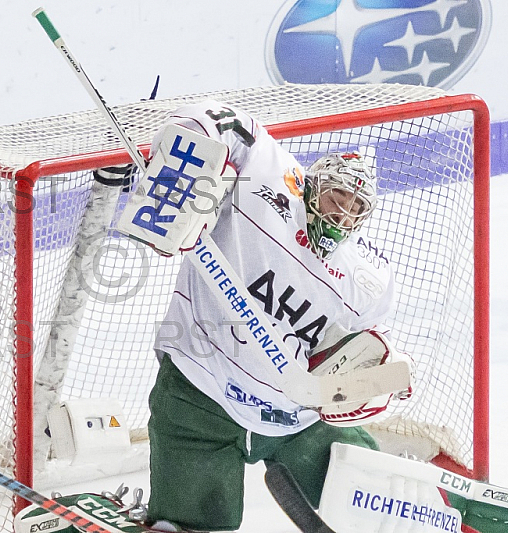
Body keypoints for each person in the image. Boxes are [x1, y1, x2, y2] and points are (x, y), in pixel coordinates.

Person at [143, 100, 409, 532]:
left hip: (295, 420)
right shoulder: (270, 183)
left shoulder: (368, 281)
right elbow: (219, 118)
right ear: (312, 184)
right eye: (336, 195)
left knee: (374, 506)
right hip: (201, 394)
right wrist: (175, 186)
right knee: (189, 526)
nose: (342, 213)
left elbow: (354, 356)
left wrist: (361, 388)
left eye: (355, 207)